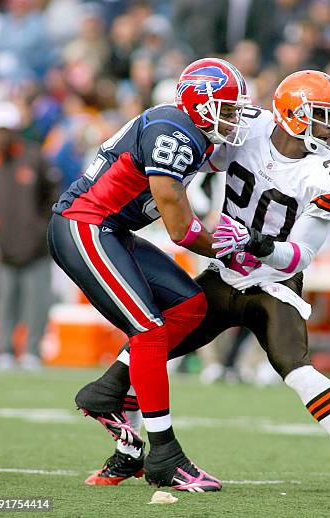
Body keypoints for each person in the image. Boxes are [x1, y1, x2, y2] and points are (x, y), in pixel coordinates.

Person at [76, 70, 330, 499]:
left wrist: (254, 242)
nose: (329, 128)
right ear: (291, 114)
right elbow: (192, 167)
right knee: (154, 344)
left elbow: (301, 255)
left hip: (274, 282)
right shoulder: (247, 128)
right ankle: (129, 449)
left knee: (295, 368)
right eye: (320, 116)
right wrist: (201, 216)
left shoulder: (329, 176)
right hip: (225, 271)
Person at [48, 57, 258, 492]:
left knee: (190, 305)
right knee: (148, 331)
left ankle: (111, 395)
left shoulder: (193, 134)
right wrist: (231, 251)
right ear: (202, 106)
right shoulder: (173, 134)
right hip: (84, 223)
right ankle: (165, 455)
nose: (235, 117)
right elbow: (181, 230)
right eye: (229, 108)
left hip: (112, 229)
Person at [0, 100, 60, 370]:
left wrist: (40, 230)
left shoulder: (35, 158)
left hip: (36, 248)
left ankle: (32, 350)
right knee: (5, 301)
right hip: (4, 248)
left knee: (36, 302)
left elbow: (52, 198)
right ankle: (6, 349)